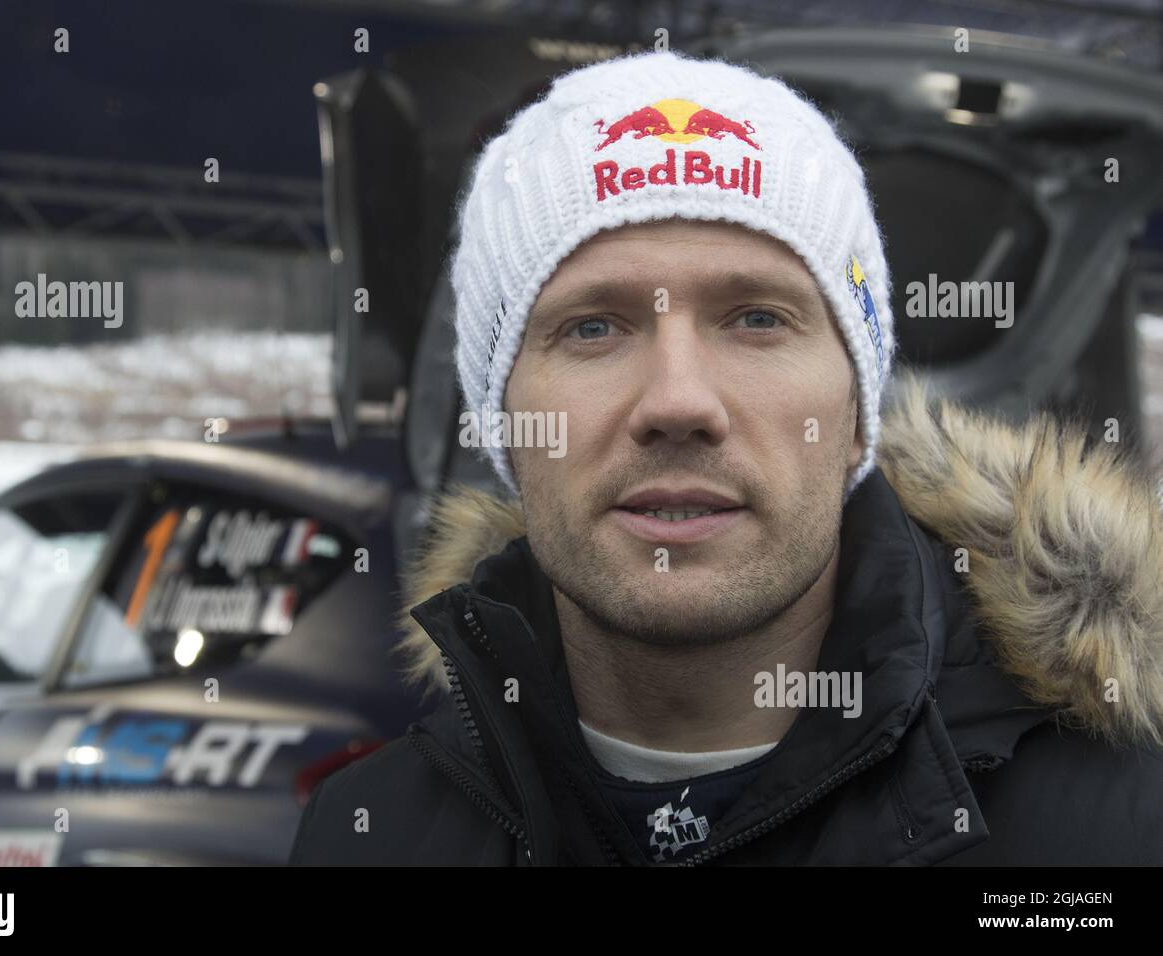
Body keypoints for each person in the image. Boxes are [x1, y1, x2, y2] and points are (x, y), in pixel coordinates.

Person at [291, 50, 1163, 866]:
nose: (679, 401)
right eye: (593, 326)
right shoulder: (367, 835)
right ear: (501, 425)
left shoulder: (1120, 831)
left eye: (756, 319)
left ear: (859, 415)